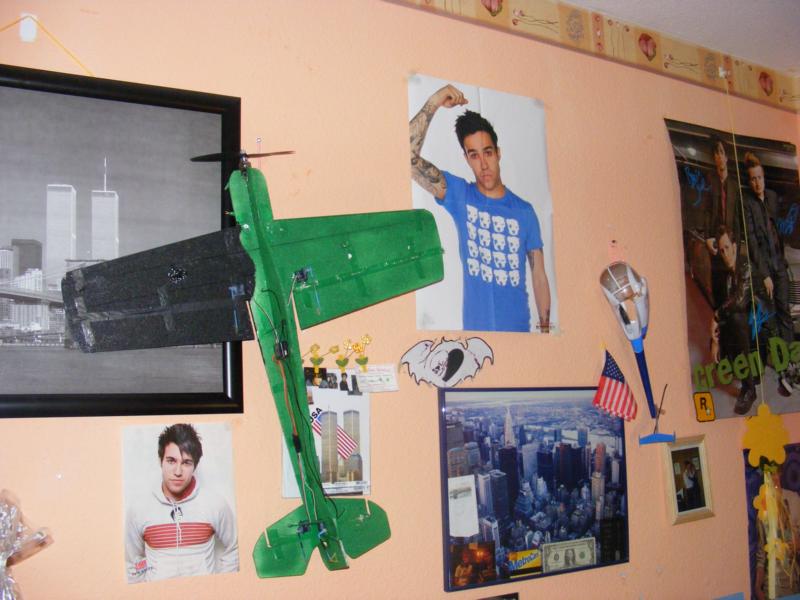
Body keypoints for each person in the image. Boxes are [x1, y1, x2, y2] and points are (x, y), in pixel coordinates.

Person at [410, 84, 551, 333]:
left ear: (498, 153)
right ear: (466, 158)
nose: (484, 164)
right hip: (476, 339)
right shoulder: (460, 195)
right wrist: (435, 100)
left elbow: (539, 276)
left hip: (520, 337)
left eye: (488, 153)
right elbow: (406, 158)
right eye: (474, 155)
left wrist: (546, 331)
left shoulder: (524, 212)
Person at [125, 424, 239, 583]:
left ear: (195, 466)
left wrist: (220, 586)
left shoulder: (215, 503)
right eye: (171, 461)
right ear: (160, 461)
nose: (178, 472)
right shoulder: (139, 508)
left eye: (186, 462)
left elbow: (235, 548)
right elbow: (133, 562)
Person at [742, 151, 795, 396]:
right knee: (770, 320)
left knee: (785, 314)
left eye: (760, 178)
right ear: (749, 181)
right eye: (753, 179)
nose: (757, 183)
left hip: (780, 265)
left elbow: (780, 230)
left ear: (764, 178)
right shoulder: (748, 205)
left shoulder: (772, 198)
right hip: (765, 270)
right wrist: (764, 274)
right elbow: (753, 243)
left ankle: (790, 364)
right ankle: (782, 367)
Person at [708, 225, 758, 414]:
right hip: (739, 321)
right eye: (721, 250)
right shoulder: (725, 272)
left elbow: (739, 301)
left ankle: (750, 389)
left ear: (735, 247)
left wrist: (716, 317)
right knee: (728, 323)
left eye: (727, 248)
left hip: (759, 321)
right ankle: (735, 362)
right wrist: (715, 341)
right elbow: (722, 303)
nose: (725, 254)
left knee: (735, 319)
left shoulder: (746, 267)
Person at [703, 136, 741, 309]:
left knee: (734, 288)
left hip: (731, 244)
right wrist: (707, 237)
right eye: (716, 153)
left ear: (726, 157)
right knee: (718, 286)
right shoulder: (710, 181)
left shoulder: (734, 185)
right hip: (716, 244)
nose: (719, 156)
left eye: (721, 152)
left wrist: (736, 246)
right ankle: (719, 317)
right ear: (714, 158)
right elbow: (706, 212)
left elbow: (738, 218)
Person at [754, 470, 800, 599]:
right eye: (768, 475)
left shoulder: (793, 499)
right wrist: (757, 586)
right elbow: (761, 554)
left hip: (793, 579)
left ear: (780, 473)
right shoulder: (762, 507)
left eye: (774, 473)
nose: (773, 478)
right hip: (773, 584)